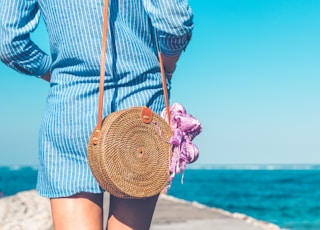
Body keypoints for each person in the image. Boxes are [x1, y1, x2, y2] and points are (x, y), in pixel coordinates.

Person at [0, 0, 193, 229]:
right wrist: (167, 66)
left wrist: (58, 74)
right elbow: (174, 21)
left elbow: (9, 43)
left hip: (71, 106)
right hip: (140, 105)